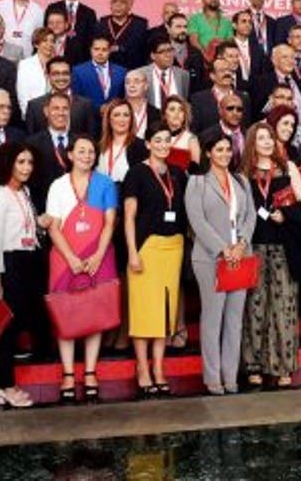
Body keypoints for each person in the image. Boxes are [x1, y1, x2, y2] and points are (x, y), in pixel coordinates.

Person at [45, 135, 119, 404]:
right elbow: (52, 225)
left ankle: (89, 372)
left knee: (94, 313)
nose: (87, 156)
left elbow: (110, 222)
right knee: (66, 314)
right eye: (82, 151)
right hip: (65, 258)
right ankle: (67, 373)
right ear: (71, 155)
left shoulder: (105, 183)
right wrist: (71, 257)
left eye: (91, 151)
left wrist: (98, 254)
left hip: (99, 255)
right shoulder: (58, 186)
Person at [185, 132, 256, 394]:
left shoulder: (241, 181)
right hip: (210, 259)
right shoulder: (197, 183)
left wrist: (241, 244)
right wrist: (223, 248)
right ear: (208, 153)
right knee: (213, 318)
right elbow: (197, 221)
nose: (225, 154)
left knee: (235, 320)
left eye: (228, 149)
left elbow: (249, 217)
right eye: (219, 150)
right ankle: (212, 376)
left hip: (240, 257)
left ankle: (230, 376)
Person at [240, 121, 301, 387]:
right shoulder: (243, 173)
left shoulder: (288, 168)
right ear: (252, 143)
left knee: (284, 308)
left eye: (269, 137)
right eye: (261, 138)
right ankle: (253, 365)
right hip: (254, 246)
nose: (267, 142)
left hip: (283, 246)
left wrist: (286, 215)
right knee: (255, 307)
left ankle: (283, 366)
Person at [122, 124, 188, 397]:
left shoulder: (176, 173)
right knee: (143, 310)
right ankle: (142, 367)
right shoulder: (136, 173)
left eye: (167, 140)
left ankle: (159, 367)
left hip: (173, 248)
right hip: (146, 248)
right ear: (148, 143)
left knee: (165, 311)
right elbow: (129, 217)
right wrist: (132, 253)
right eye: (157, 140)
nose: (163, 145)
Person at [0, 142, 44, 409]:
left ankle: (6, 384)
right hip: (9, 262)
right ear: (8, 163)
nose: (26, 168)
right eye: (21, 162)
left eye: (29, 162)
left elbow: (27, 226)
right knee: (7, 328)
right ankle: (4, 385)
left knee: (17, 324)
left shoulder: (25, 192)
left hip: (29, 259)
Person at [16, 27, 58, 116]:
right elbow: (22, 95)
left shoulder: (59, 64)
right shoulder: (25, 65)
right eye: (45, 41)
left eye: (52, 41)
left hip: (56, 114)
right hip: (33, 115)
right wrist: (30, 115)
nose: (49, 44)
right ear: (36, 44)